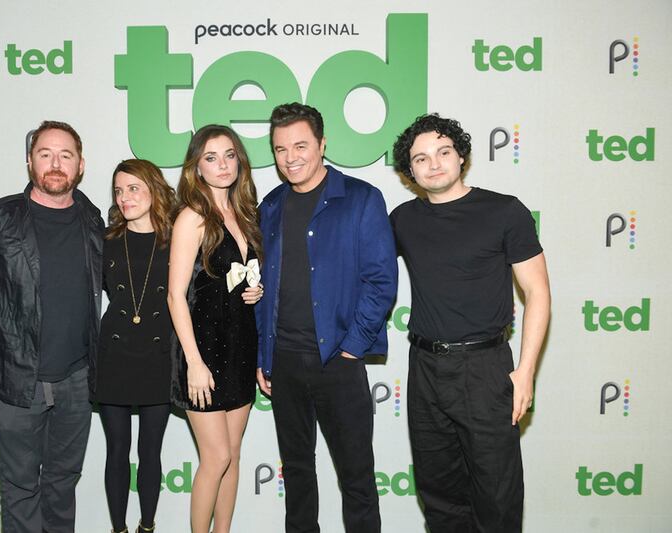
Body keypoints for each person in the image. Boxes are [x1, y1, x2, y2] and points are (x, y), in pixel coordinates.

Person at [389, 113, 551, 532]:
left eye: (443, 152)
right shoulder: (404, 220)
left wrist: (526, 372)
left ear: (461, 156)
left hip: (485, 369)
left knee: (496, 495)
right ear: (410, 171)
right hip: (424, 368)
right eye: (421, 158)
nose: (434, 163)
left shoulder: (504, 211)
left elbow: (537, 294)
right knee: (439, 493)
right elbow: (360, 267)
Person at [0, 120, 103, 532]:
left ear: (81, 164)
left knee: (62, 484)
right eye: (45, 153)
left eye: (65, 155)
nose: (55, 163)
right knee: (19, 489)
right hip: (14, 379)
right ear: (29, 161)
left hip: (77, 379)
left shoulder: (93, 218)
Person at [255, 103, 398, 533]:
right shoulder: (272, 205)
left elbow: (381, 281)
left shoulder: (361, 198)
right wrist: (265, 354)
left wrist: (353, 346)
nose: (290, 157)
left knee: (356, 477)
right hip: (284, 362)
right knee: (297, 475)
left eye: (300, 145)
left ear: (322, 144)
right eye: (280, 149)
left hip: (338, 361)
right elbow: (266, 288)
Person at [167, 124, 264, 533]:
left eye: (229, 155)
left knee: (235, 455)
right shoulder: (193, 217)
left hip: (241, 344)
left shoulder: (245, 213)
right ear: (197, 168)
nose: (223, 164)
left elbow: (236, 276)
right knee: (217, 457)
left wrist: (255, 290)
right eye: (211, 157)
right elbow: (175, 296)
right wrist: (194, 362)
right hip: (202, 351)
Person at [96, 159, 176, 533]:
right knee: (116, 452)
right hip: (114, 355)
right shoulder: (106, 241)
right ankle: (119, 529)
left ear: (153, 190)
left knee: (150, 453)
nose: (124, 197)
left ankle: (147, 526)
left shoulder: (176, 238)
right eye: (118, 190)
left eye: (132, 189)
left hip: (158, 356)